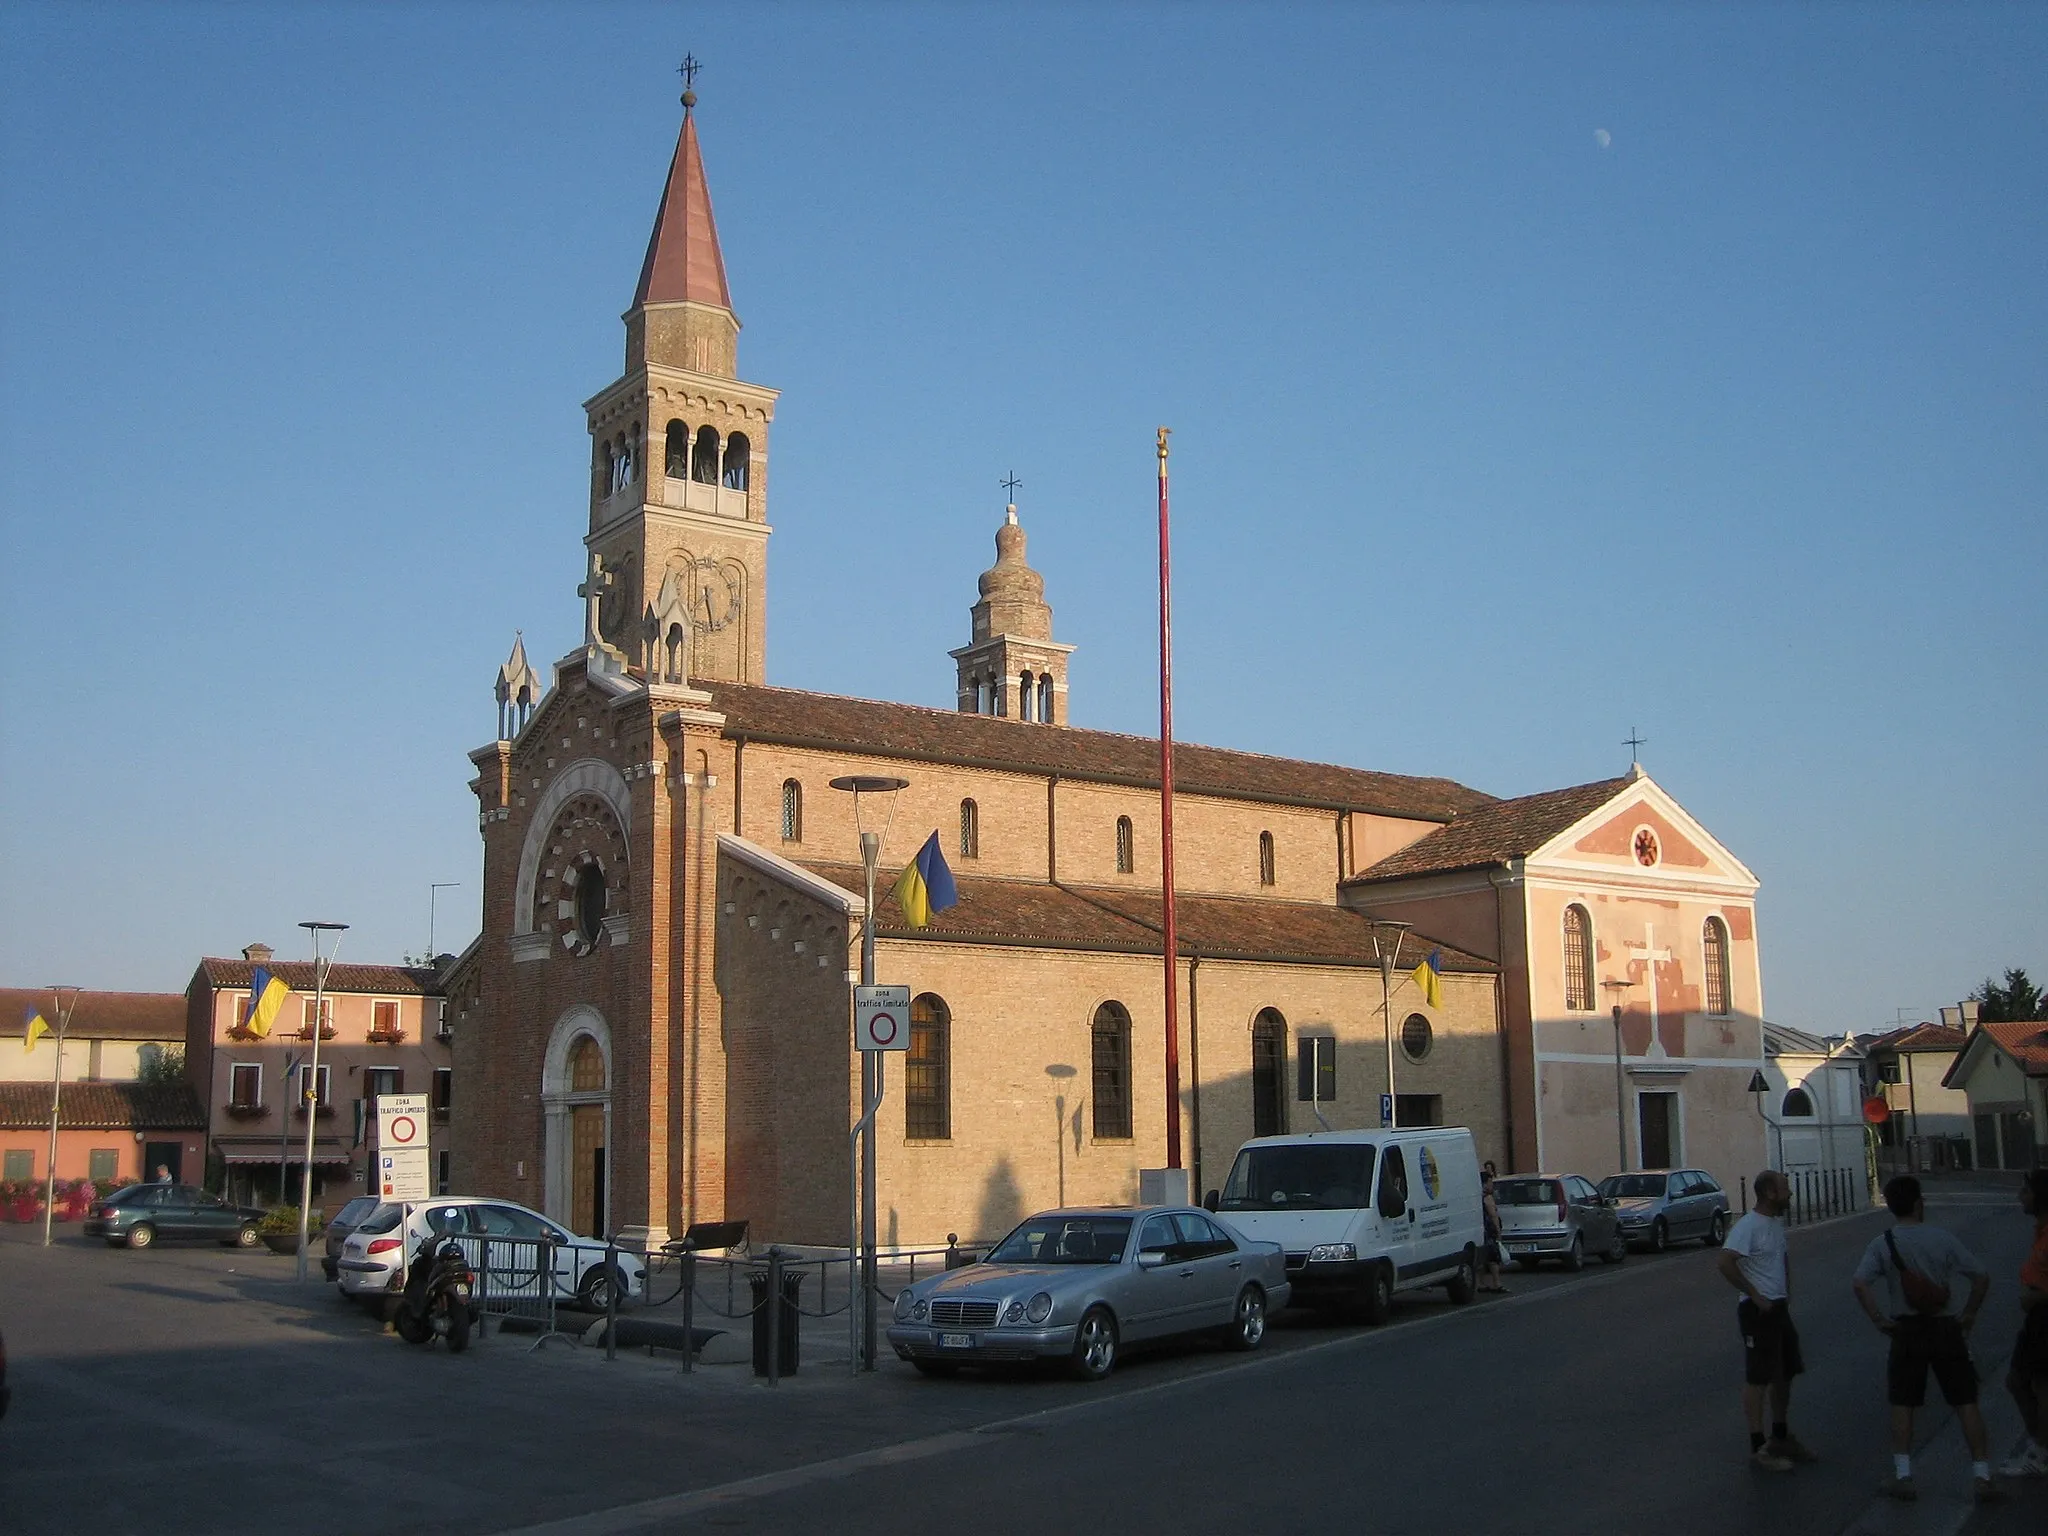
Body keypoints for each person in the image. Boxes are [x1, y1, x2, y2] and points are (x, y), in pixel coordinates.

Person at [1850, 1174, 2002, 1504]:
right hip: (1946, 1327)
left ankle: (1904, 1475)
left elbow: (1860, 1283)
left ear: (1891, 1206)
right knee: (1965, 1401)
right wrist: (1969, 1314)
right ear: (1920, 1203)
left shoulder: (1883, 1243)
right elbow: (1980, 1277)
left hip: (1906, 1331)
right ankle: (1982, 1476)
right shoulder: (1941, 1238)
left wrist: (1879, 1320)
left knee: (1903, 1402)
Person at [1718, 1169, 1815, 1472]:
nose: (1790, 1194)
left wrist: (1786, 1292)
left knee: (1784, 1372)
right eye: (1785, 1189)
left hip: (1778, 1308)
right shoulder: (1748, 1226)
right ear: (1770, 1193)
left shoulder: (1774, 1224)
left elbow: (1780, 1260)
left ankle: (1781, 1436)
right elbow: (1725, 1262)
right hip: (1757, 1311)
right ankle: (1758, 1447)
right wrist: (1755, 1295)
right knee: (1758, 1376)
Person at [1998, 1169, 2048, 1478]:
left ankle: (2041, 1452)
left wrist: (2039, 1297)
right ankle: (2039, 1444)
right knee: (2018, 1381)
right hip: (2037, 1320)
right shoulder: (2041, 1231)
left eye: (2026, 1191)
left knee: (2040, 1385)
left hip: (2045, 1317)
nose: (2020, 1196)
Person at [1479, 1170, 1508, 1293]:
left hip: (1481, 1231)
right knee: (1494, 1258)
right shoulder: (1487, 1198)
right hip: (1489, 1231)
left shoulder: (1477, 1196)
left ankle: (1480, 1283)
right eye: (1490, 1182)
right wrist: (1498, 1232)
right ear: (1484, 1183)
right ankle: (1497, 1283)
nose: (1492, 1185)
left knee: (1481, 1258)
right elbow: (1493, 1215)